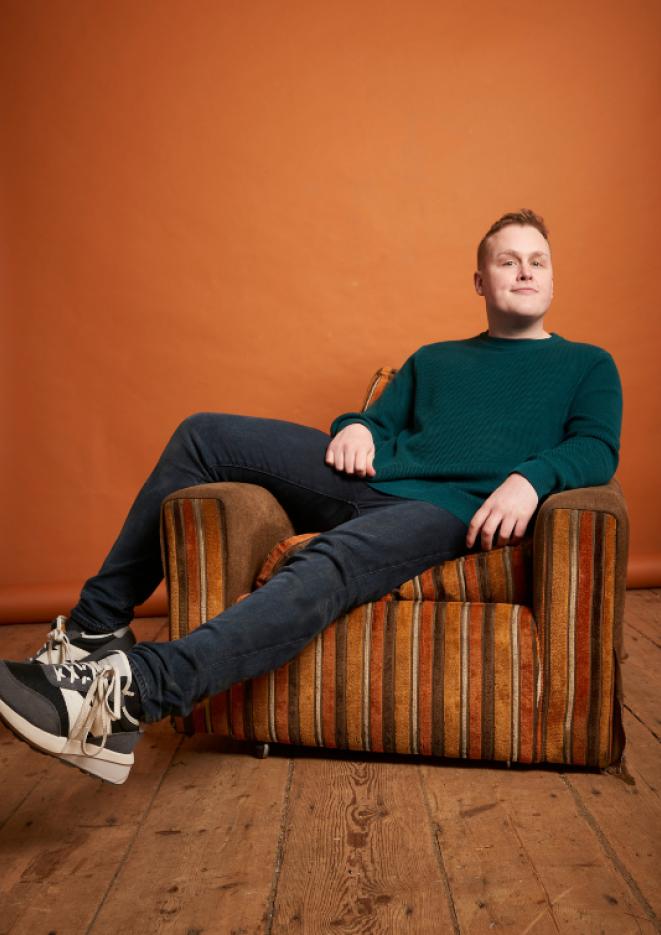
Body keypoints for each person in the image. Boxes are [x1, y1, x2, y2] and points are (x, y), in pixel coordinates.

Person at [0, 209, 623, 784]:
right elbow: (379, 423)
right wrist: (353, 424)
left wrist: (530, 478)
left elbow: (596, 446)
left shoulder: (588, 364)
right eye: (507, 260)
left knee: (324, 563)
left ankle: (131, 697)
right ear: (479, 281)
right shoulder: (434, 359)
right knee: (203, 433)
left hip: (449, 510)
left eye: (536, 260)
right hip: (367, 481)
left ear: (551, 278)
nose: (523, 270)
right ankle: (92, 632)